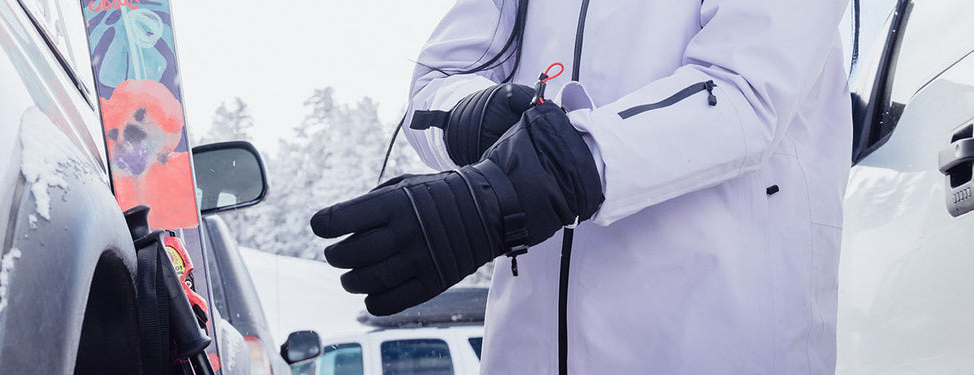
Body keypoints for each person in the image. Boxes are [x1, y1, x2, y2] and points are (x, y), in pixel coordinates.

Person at [310, 0, 851, 374]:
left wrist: (547, 173)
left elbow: (746, 92)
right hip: (526, 351)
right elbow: (435, 85)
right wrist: (476, 117)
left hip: (714, 343)